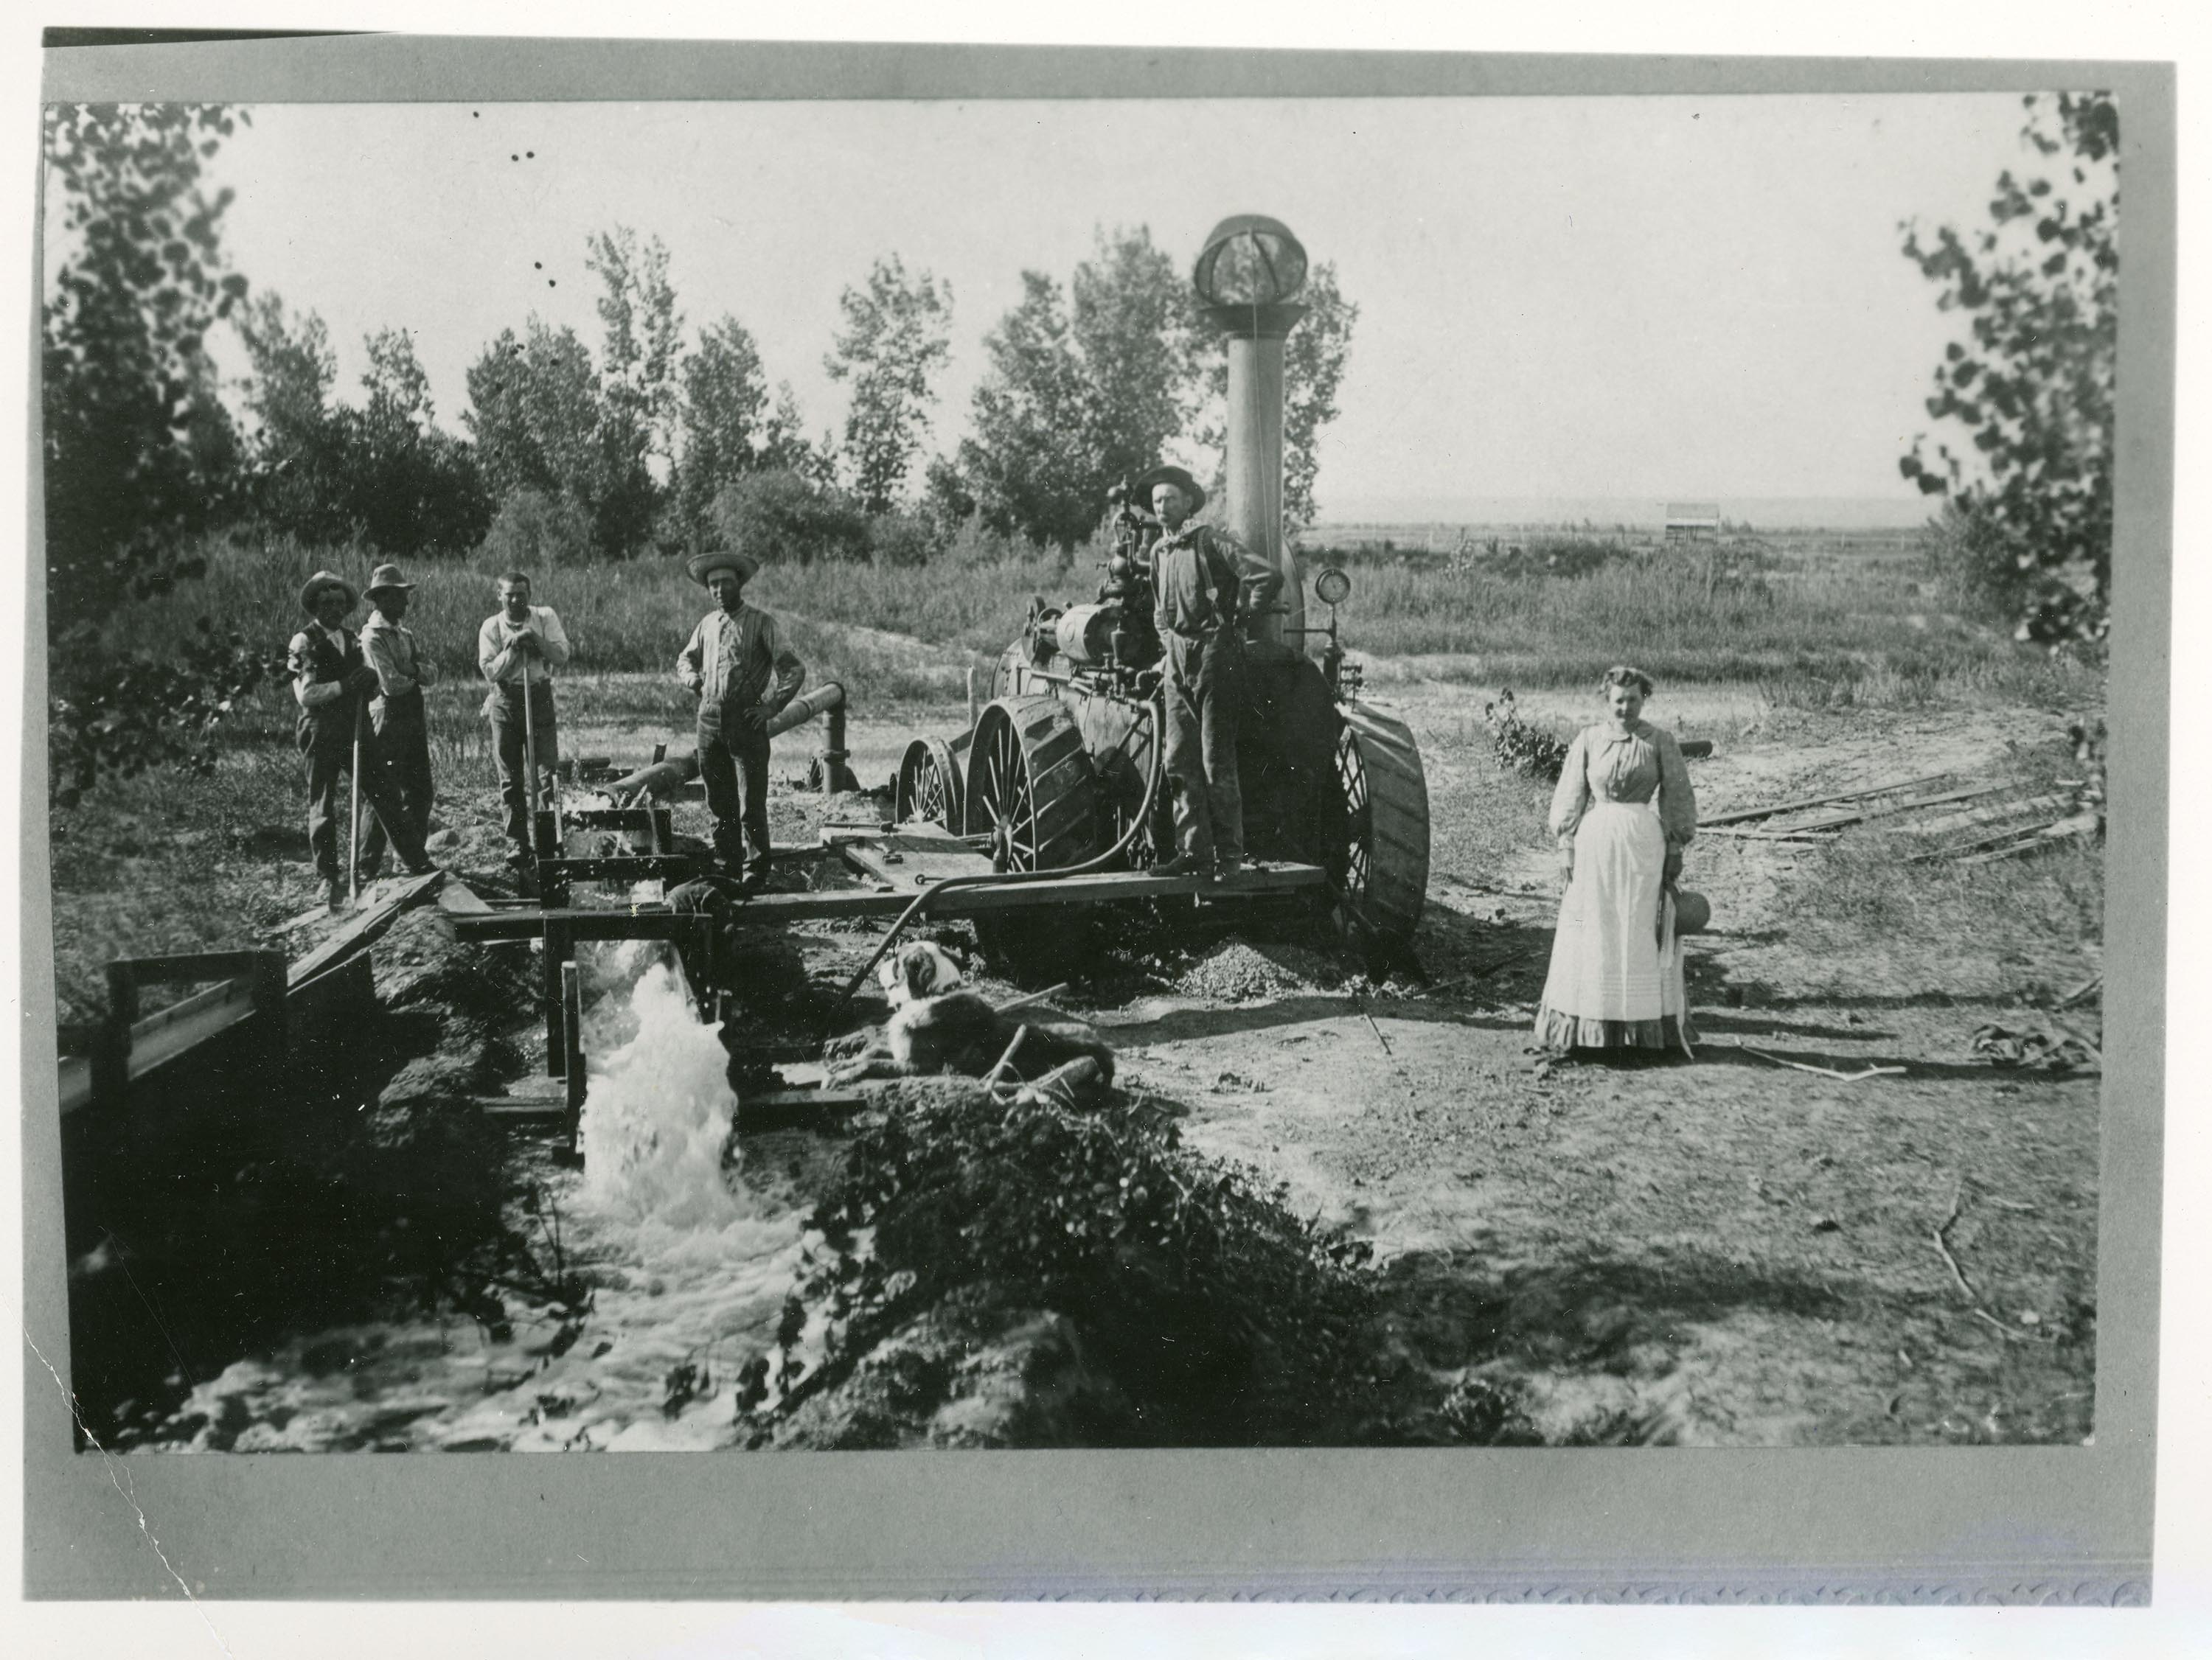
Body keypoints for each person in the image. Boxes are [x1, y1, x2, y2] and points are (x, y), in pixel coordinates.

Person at [1534, 666, 1700, 1057]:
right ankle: (1588, 1023)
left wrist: (1675, 847)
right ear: (1607, 701)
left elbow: (1677, 796)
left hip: (1644, 846)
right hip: (1596, 844)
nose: (1626, 708)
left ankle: (1640, 1028)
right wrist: (1566, 845)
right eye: (1619, 700)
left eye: (1634, 700)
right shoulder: (1589, 740)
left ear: (1644, 700)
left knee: (1638, 928)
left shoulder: (1660, 741)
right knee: (1591, 926)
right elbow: (1570, 794)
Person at [1140, 462, 1281, 882]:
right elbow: (1158, 611)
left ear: (1188, 502)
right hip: (1177, 663)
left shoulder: (1210, 541)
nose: (1163, 507)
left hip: (1215, 655)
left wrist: (1240, 619)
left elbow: (1266, 576)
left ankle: (1230, 860)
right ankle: (1193, 855)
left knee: (1215, 761)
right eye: (1157, 501)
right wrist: (1168, 644)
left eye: (1170, 499)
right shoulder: (1158, 552)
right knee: (1178, 761)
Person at [288, 570, 428, 912]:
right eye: (326, 603)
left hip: (357, 727)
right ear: (314, 606)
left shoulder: (352, 640)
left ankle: (416, 862)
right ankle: (327, 877)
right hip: (320, 729)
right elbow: (306, 694)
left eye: (339, 603)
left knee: (384, 792)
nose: (334, 609)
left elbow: (373, 683)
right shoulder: (302, 642)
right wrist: (345, 687)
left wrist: (365, 684)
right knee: (322, 804)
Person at [677, 543, 805, 890]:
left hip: (746, 724)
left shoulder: (762, 624)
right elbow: (685, 659)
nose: (720, 590)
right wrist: (693, 680)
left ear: (740, 584)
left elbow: (793, 668)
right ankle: (726, 866)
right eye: (714, 585)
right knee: (718, 801)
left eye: (726, 583)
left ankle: (755, 872)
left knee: (751, 803)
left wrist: (772, 707)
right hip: (709, 723)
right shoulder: (707, 625)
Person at [477, 571, 571, 868]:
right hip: (505, 701)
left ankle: (546, 840)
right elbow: (491, 671)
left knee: (546, 775)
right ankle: (518, 843)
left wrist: (534, 639)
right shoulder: (491, 627)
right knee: (511, 779)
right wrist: (515, 649)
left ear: (530, 594)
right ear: (499, 596)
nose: (516, 599)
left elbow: (560, 655)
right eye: (510, 594)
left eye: (522, 593)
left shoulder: (544, 617)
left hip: (539, 696)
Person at [358, 562, 438, 869]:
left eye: (405, 595)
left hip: (412, 716)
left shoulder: (405, 636)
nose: (406, 602)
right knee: (383, 790)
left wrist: (413, 671)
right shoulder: (372, 637)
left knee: (420, 790)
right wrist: (415, 674)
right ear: (382, 599)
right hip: (388, 718)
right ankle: (366, 863)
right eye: (399, 596)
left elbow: (432, 672)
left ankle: (410, 859)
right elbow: (390, 685)